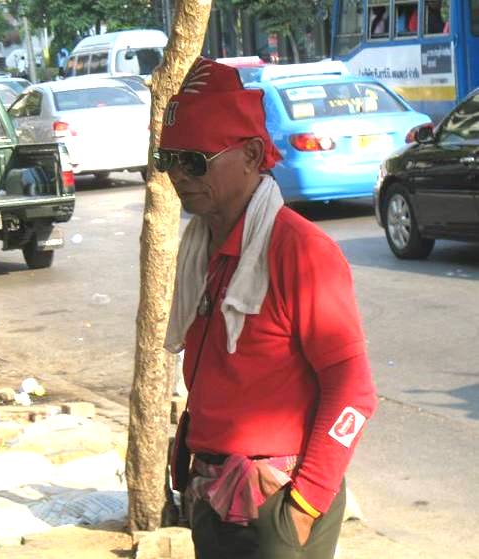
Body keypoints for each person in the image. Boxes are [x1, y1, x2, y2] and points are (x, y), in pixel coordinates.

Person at [156, 57, 377, 559]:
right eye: (166, 159)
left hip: (276, 501)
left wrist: (300, 508)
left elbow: (354, 395)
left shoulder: (300, 251)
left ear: (253, 154)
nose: (177, 176)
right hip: (213, 493)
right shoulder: (204, 249)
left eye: (194, 160)